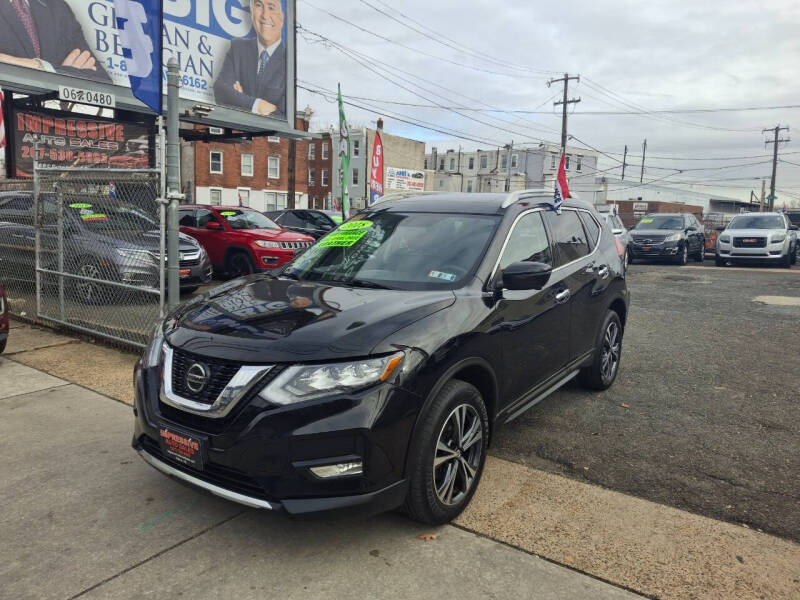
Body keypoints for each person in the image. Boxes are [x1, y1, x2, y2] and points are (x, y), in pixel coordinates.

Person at [0, 0, 110, 82]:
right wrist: (65, 73)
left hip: (46, 110)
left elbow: (102, 80)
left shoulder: (57, 8)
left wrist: (42, 68)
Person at [213, 0, 286, 119]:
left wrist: (239, 98)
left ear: (281, 18)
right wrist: (256, 104)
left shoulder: (290, 63)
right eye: (258, 5)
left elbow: (283, 116)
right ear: (252, 12)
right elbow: (220, 90)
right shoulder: (238, 47)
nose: (265, 15)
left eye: (271, 8)